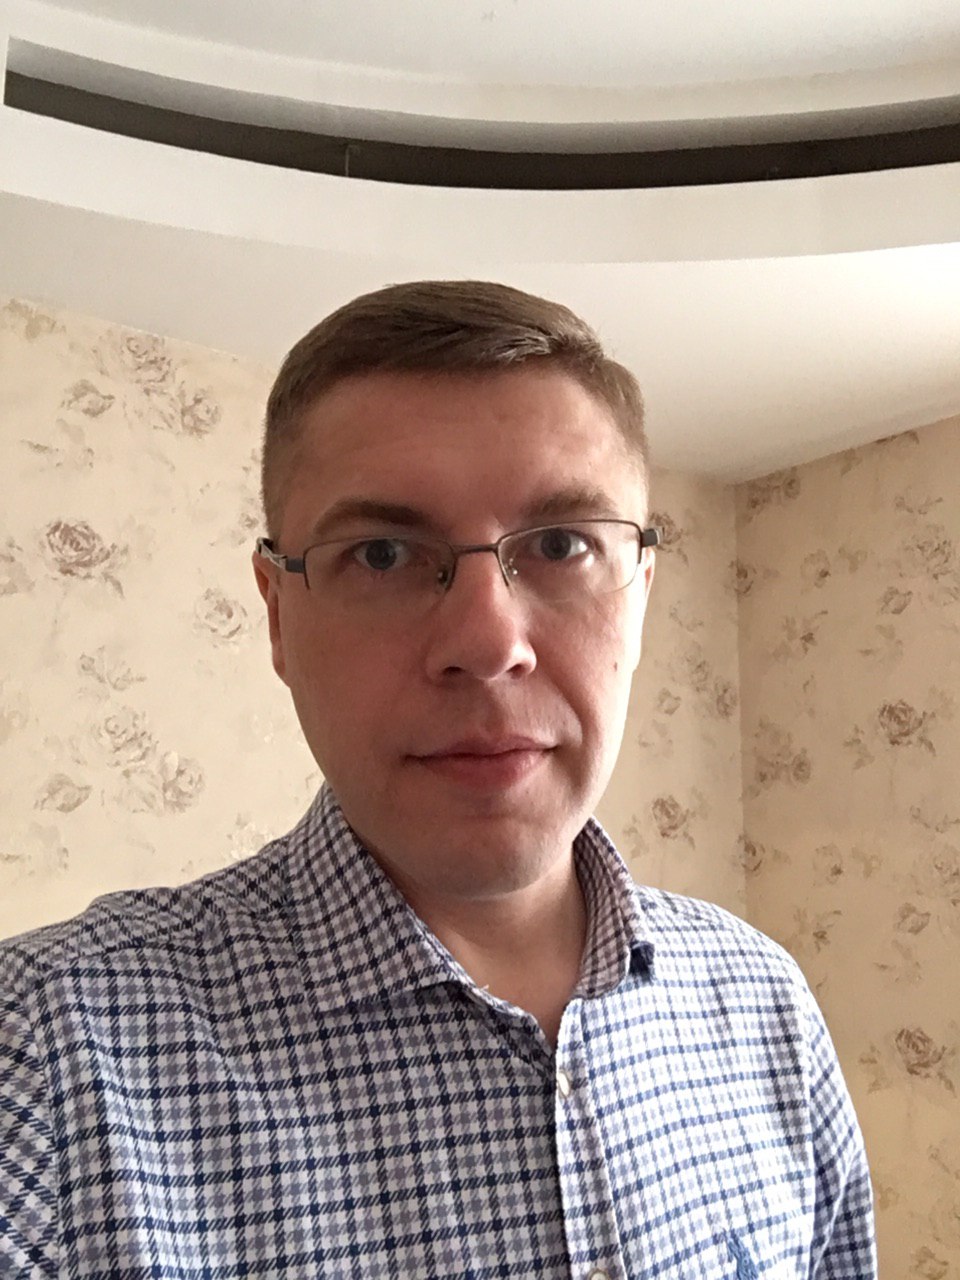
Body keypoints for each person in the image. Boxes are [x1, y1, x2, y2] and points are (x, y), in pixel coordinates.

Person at [1, 280, 875, 1278]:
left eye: (561, 545)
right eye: (382, 554)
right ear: (279, 615)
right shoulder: (44, 1059)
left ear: (638, 599)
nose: (488, 643)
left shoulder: (762, 1001)